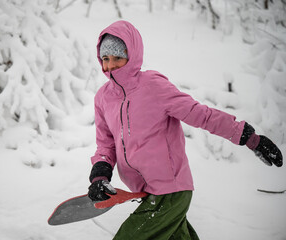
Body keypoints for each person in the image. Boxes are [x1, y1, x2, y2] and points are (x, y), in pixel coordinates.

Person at [87, 20, 283, 240]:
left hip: (170, 188)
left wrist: (250, 138)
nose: (111, 65)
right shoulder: (103, 98)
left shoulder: (153, 86)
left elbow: (200, 115)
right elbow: (106, 144)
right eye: (106, 58)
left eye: (117, 58)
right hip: (146, 190)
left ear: (132, 55)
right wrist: (99, 175)